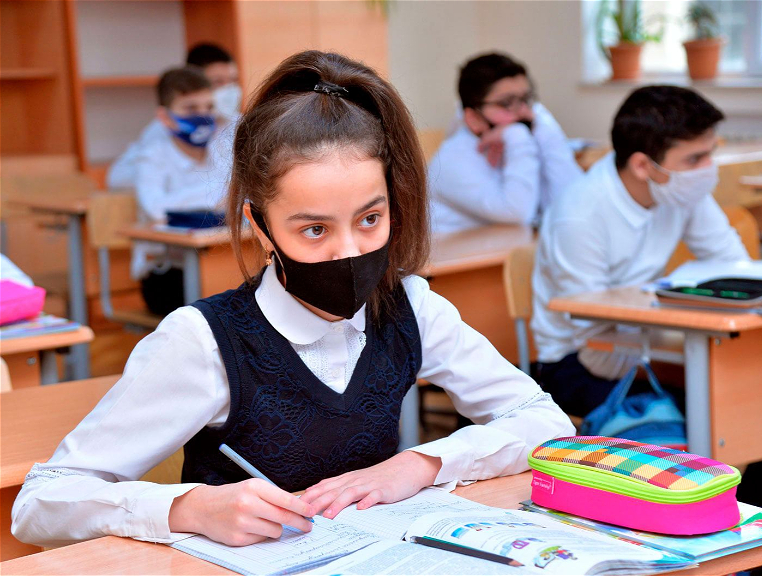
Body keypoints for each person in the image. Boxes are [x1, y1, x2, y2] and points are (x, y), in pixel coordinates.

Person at [12, 50, 574, 549]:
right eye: (314, 229)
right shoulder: (204, 342)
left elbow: (545, 422)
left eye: (370, 219)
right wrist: (187, 508)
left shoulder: (410, 307)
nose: (348, 252)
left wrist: (419, 464)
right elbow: (41, 503)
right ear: (260, 227)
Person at [533, 85, 747, 417]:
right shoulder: (579, 215)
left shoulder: (679, 188)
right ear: (643, 166)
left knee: (749, 388)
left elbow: (733, 264)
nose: (708, 168)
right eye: (694, 158)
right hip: (576, 361)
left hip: (644, 341)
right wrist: (678, 357)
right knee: (709, 408)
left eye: (710, 153)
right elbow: (595, 342)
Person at [428, 52, 582, 234]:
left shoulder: (519, 142)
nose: (524, 112)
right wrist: (517, 135)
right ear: (473, 118)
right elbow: (518, 213)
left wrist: (546, 130)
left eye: (526, 99)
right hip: (456, 251)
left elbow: (574, 205)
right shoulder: (451, 161)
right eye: (507, 103)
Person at [133, 66, 231, 316]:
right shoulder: (151, 156)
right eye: (191, 109)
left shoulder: (220, 150)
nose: (203, 116)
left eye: (209, 107)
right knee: (223, 307)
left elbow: (242, 196)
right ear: (165, 117)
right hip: (167, 273)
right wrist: (217, 195)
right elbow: (156, 209)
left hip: (220, 259)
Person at [106, 43, 240, 190]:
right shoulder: (166, 128)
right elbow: (118, 179)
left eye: (233, 80)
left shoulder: (239, 124)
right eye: (218, 82)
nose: (228, 89)